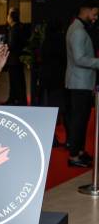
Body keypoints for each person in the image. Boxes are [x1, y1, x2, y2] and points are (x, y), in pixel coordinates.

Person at [65, 0, 99, 167]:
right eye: (94, 14)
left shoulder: (76, 27)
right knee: (79, 120)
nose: (95, 18)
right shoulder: (78, 30)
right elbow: (79, 59)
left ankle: (79, 152)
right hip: (80, 83)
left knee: (82, 119)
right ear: (86, 10)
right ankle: (74, 157)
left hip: (81, 82)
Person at [39, 19, 67, 147]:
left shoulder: (46, 40)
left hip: (47, 78)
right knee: (57, 107)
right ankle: (53, 137)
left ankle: (50, 136)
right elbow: (64, 57)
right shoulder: (61, 39)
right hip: (58, 77)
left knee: (50, 106)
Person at [6, 8, 27, 106]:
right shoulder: (21, 27)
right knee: (19, 80)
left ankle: (15, 99)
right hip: (19, 58)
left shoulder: (13, 29)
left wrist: (5, 47)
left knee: (14, 80)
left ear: (11, 18)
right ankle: (19, 98)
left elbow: (12, 44)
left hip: (13, 59)